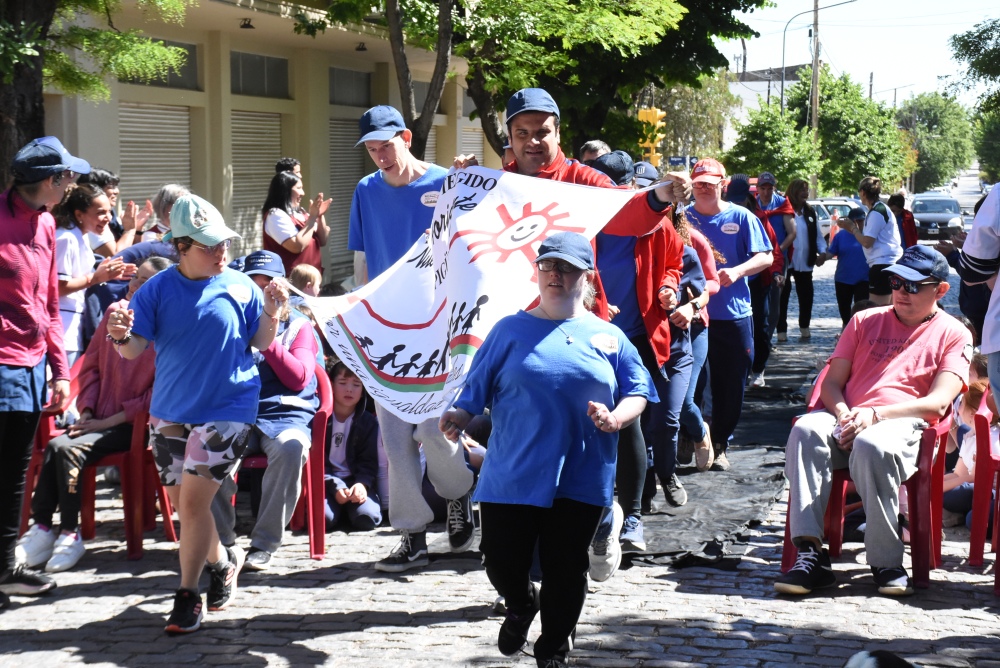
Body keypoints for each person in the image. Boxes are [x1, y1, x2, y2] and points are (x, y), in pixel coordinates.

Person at [439, 233, 656, 668]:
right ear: (537, 272)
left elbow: (639, 391)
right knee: (501, 560)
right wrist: (458, 416)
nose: (556, 275)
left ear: (587, 276)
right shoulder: (508, 330)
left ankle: (553, 649)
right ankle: (521, 603)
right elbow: (473, 392)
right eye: (548, 266)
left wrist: (616, 417)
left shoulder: (609, 336)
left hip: (582, 472)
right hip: (512, 470)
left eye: (567, 268)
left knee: (565, 567)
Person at [106, 194, 288, 634]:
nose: (221, 252)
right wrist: (119, 335)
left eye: (223, 243)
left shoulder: (242, 285)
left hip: (229, 409)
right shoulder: (158, 289)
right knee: (185, 506)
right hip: (170, 411)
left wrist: (272, 312)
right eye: (209, 246)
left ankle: (188, 595)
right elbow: (133, 351)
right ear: (180, 247)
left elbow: (261, 343)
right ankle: (223, 560)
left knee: (191, 504)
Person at [776, 245, 971, 597]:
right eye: (895, 282)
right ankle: (810, 554)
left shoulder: (954, 333)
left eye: (912, 286)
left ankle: (885, 561)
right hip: (849, 415)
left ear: (940, 290)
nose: (899, 292)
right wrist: (842, 414)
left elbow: (938, 403)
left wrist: (875, 416)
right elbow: (832, 384)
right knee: (805, 429)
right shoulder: (864, 320)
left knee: (872, 443)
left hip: (903, 422)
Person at [348, 105, 476, 572]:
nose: (379, 155)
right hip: (385, 326)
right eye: (371, 149)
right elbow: (362, 260)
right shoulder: (365, 190)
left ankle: (459, 492)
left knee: (431, 427)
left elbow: (477, 238)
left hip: (439, 325)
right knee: (394, 435)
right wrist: (359, 317)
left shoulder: (445, 181)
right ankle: (411, 534)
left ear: (405, 136)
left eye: (385, 144)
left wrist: (466, 183)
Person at [16, 257, 169, 573]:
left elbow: (155, 398)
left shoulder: (166, 329)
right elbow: (91, 368)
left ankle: (66, 533)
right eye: (134, 278)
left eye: (144, 282)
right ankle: (45, 529)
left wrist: (105, 422)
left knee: (64, 450)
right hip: (97, 420)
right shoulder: (114, 314)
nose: (134, 286)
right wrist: (86, 411)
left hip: (134, 426)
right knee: (58, 447)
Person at [0, 136, 84, 609]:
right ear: (50, 181)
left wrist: (60, 372)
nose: (73, 182)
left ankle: (5, 569)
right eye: (68, 176)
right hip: (0, 362)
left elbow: (51, 304)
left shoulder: (48, 224)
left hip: (32, 365)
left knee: (14, 474)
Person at [210, 250, 319, 572]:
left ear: (283, 288)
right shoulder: (230, 323)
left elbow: (299, 377)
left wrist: (268, 337)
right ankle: (224, 543)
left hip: (285, 415)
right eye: (255, 286)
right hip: (238, 412)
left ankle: (264, 543)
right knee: (208, 452)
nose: (263, 293)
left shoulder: (298, 326)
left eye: (269, 286)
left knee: (291, 448)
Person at [683, 158, 773, 470]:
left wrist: (738, 271)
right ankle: (691, 436)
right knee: (689, 383)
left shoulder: (742, 217)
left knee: (730, 384)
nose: (704, 187)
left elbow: (766, 256)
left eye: (710, 182)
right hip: (691, 316)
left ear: (723, 184)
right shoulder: (681, 219)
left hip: (732, 314)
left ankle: (720, 443)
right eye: (698, 183)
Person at [53, 184, 134, 362]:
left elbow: (79, 274)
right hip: (62, 329)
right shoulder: (66, 238)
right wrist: (96, 277)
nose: (107, 218)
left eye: (109, 212)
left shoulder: (79, 235)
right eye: (100, 212)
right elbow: (57, 287)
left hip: (74, 326)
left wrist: (109, 273)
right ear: (79, 214)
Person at [726, 174, 784, 389]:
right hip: (729, 283)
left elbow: (773, 249)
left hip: (758, 282)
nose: (736, 203)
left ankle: (758, 369)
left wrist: (777, 271)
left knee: (760, 326)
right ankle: (736, 369)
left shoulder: (759, 218)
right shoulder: (721, 214)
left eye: (739, 199)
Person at [324, 362, 382, 531]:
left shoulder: (367, 422)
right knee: (324, 519)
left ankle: (350, 510)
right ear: (331, 384)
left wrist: (362, 484)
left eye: (356, 384)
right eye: (342, 383)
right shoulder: (320, 418)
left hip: (354, 481)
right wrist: (333, 485)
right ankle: (336, 511)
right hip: (327, 483)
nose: (349, 389)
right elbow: (315, 462)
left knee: (367, 518)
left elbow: (369, 462)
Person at [941, 379, 998, 531]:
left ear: (973, 413)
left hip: (992, 494)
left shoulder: (992, 438)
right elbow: (959, 474)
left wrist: (937, 487)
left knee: (972, 519)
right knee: (943, 493)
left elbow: (974, 478)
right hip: (979, 489)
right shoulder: (970, 436)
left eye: (961, 404)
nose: (957, 410)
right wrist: (933, 481)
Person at [837, 177, 902, 307]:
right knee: (888, 310)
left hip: (883, 265)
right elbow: (869, 238)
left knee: (877, 312)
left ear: (862, 192)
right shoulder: (878, 210)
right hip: (888, 264)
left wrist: (853, 228)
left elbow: (867, 242)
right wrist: (849, 228)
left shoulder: (877, 212)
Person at [776, 179, 827, 342]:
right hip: (786, 260)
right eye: (802, 190)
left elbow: (818, 236)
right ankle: (781, 330)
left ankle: (804, 326)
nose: (806, 193)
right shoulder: (784, 209)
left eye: (807, 190)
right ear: (794, 191)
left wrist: (822, 252)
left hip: (805, 261)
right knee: (783, 295)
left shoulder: (810, 212)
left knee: (806, 295)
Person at [261, 170, 331, 275]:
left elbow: (323, 240)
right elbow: (296, 246)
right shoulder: (275, 215)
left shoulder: (300, 212)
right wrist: (312, 217)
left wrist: (319, 215)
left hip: (311, 281)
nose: (303, 193)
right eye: (299, 188)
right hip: (291, 282)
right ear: (285, 190)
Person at [755, 172, 796, 343]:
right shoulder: (752, 205)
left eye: (769, 188)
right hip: (756, 259)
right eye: (763, 188)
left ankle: (767, 338)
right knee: (756, 299)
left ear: (774, 188)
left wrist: (777, 251)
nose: (766, 192)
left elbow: (792, 233)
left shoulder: (782, 204)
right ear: (757, 189)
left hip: (778, 260)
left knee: (774, 301)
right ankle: (756, 338)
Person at [822, 209, 870, 326]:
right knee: (844, 311)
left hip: (864, 279)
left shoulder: (868, 236)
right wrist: (821, 257)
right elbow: (831, 252)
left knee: (861, 310)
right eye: (855, 221)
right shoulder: (840, 236)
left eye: (861, 220)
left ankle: (859, 333)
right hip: (843, 279)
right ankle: (847, 330)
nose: (859, 224)